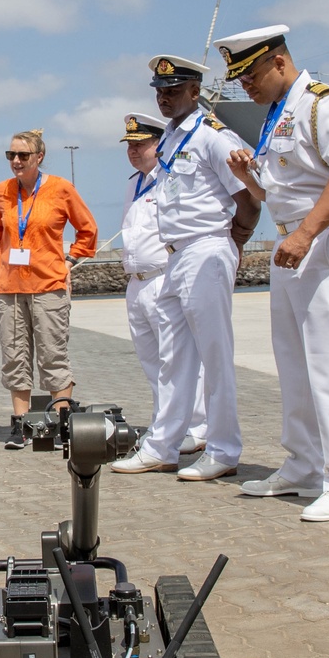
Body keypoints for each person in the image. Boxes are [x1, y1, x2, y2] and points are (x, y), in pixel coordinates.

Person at [221, 25, 329, 522]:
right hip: (293, 243)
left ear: (279, 61)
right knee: (294, 361)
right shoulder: (277, 114)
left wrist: (305, 233)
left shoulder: (322, 105)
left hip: (323, 240)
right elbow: (275, 191)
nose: (246, 86)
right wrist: (249, 178)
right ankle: (304, 465)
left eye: (251, 75)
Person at [113, 55, 259, 481]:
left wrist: (232, 242)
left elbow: (248, 197)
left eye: (174, 90)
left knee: (215, 356)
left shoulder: (214, 137)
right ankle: (164, 446)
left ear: (195, 92)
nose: (164, 97)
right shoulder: (173, 140)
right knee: (173, 360)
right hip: (175, 254)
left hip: (205, 249)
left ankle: (224, 449)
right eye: (160, 91)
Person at [0, 128, 97, 449]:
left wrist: (69, 260)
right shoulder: (1, 191)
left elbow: (87, 229)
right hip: (9, 289)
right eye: (11, 155)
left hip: (49, 285)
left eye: (23, 155)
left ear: (40, 157)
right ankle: (22, 425)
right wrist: (8, 262)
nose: (17, 161)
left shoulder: (61, 188)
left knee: (52, 356)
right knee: (14, 356)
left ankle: (62, 424)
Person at [118, 113, 207, 455]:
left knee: (177, 357)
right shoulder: (133, 183)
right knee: (151, 360)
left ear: (159, 144)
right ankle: (165, 422)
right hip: (136, 282)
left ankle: (197, 425)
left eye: (141, 144)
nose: (134, 151)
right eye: (130, 145)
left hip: (162, 276)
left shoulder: (169, 177)